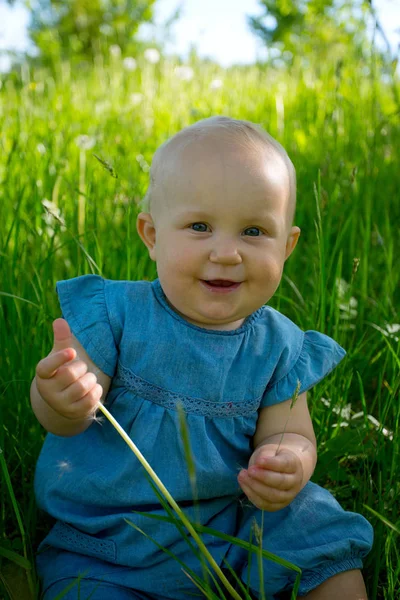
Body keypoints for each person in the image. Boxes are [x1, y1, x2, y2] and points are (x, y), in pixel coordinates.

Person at [31, 116, 373, 600]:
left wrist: (288, 459)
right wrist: (62, 398)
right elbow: (62, 420)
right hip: (114, 541)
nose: (227, 252)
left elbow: (290, 431)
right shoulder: (116, 316)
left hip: (236, 527)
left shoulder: (277, 345)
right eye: (199, 226)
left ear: (288, 245)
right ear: (151, 235)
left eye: (254, 231)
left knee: (313, 525)